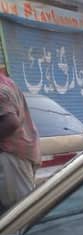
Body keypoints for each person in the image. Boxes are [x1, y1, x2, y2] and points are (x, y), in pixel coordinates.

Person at [0, 72, 40, 213]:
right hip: (19, 155)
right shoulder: (8, 82)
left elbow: (10, 122)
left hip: (11, 157)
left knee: (18, 215)